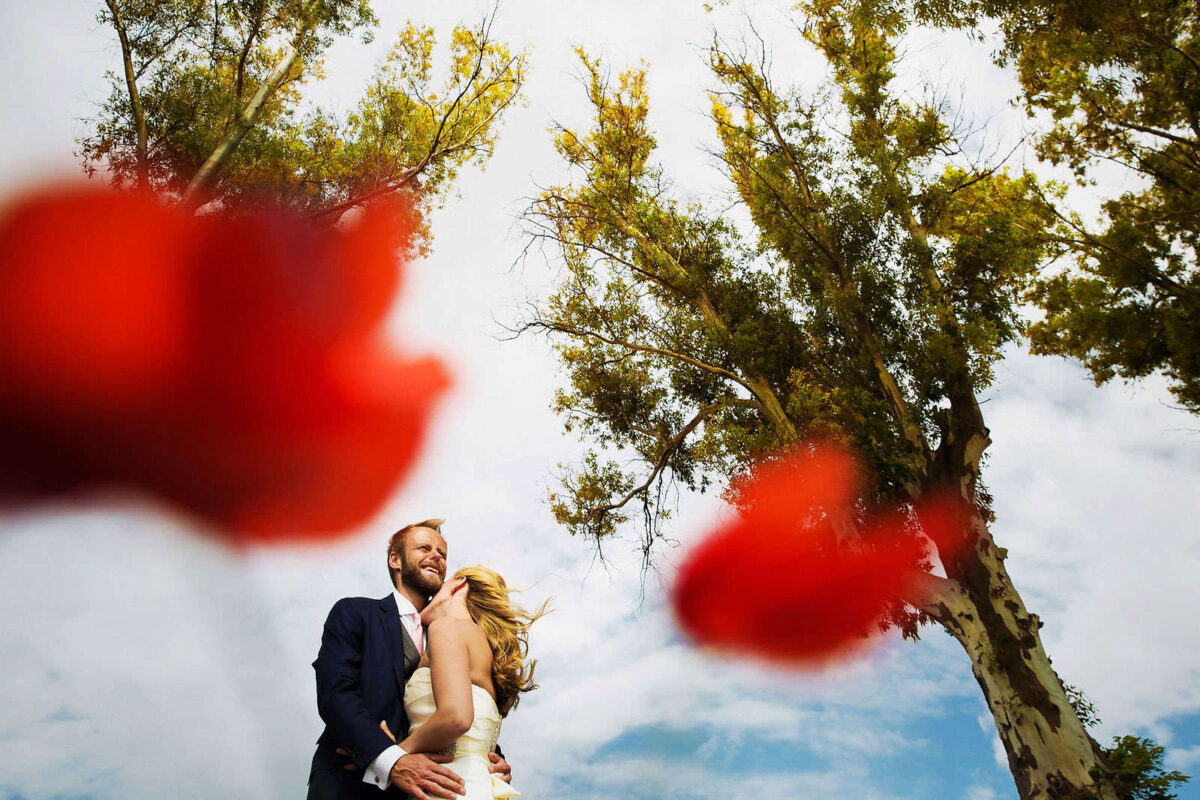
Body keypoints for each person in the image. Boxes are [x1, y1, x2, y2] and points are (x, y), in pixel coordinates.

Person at [307, 519, 514, 799]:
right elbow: (336, 694)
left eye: (442, 553)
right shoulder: (354, 612)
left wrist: (490, 758)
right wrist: (388, 759)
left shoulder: (450, 632)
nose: (437, 557)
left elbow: (468, 706)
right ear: (395, 560)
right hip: (351, 785)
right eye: (424, 548)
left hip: (436, 787)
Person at [382, 565, 547, 800]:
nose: (429, 598)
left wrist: (390, 757)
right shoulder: (486, 651)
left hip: (449, 788)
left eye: (440, 588)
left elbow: (455, 717)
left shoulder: (447, 628)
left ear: (458, 584)